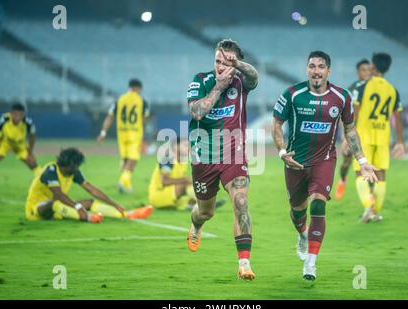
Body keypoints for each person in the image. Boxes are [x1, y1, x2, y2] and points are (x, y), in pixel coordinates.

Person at [271, 51, 378, 281]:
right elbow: (277, 124)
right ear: (307, 69)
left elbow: (349, 128)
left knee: (318, 206)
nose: (316, 70)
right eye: (312, 66)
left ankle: (310, 263)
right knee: (297, 211)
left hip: (324, 160)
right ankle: (302, 235)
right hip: (295, 161)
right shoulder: (292, 94)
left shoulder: (341, 96)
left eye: (321, 66)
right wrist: (281, 151)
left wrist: (362, 161)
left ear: (329, 71)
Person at [186, 39, 259, 280]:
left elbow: (254, 77)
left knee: (240, 201)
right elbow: (197, 112)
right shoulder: (200, 80)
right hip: (203, 157)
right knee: (205, 212)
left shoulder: (241, 82)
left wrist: (237, 66)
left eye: (226, 62)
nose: (220, 66)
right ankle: (196, 224)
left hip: (233, 155)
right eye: (217, 61)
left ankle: (244, 263)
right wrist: (218, 87)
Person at [25, 148, 152, 222]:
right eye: (75, 165)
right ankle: (90, 218)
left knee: (90, 202)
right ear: (68, 164)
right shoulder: (51, 170)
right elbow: (58, 195)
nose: (77, 168)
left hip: (60, 208)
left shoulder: (72, 172)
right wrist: (78, 206)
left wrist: (115, 204)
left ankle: (127, 214)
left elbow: (91, 189)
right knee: (55, 203)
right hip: (36, 209)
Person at [352, 53, 404, 223]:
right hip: (383, 138)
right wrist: (400, 142)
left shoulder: (362, 87)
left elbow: (355, 115)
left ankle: (368, 206)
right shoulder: (393, 90)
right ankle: (375, 212)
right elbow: (397, 119)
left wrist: (348, 138)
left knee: (360, 172)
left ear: (373, 67)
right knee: (381, 175)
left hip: (363, 137)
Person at [97, 79, 150, 193]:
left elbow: (110, 117)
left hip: (122, 134)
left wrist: (103, 132)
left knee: (125, 159)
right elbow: (144, 119)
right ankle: (122, 181)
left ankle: (126, 185)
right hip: (134, 133)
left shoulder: (119, 100)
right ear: (138, 88)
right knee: (133, 159)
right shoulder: (142, 101)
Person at [335, 59, 371, 200]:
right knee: (346, 163)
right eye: (363, 70)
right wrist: (345, 138)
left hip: (368, 133)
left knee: (368, 163)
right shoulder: (352, 89)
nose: (367, 73)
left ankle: (370, 199)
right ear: (358, 72)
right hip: (352, 131)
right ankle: (343, 179)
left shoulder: (373, 88)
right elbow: (343, 114)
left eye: (369, 70)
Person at [0, 103, 40, 181]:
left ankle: (42, 182)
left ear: (23, 114)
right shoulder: (3, 120)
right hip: (5, 143)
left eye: (20, 114)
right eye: (15, 114)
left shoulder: (28, 122)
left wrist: (30, 152)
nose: (18, 117)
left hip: (20, 145)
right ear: (11, 113)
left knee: (32, 162)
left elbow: (32, 136)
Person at [148, 138, 196, 210]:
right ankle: (201, 203)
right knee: (187, 184)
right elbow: (164, 181)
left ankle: (194, 205)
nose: (189, 148)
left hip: (171, 193)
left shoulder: (183, 162)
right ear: (175, 146)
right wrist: (185, 180)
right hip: (158, 194)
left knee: (194, 183)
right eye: (185, 145)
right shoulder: (168, 159)